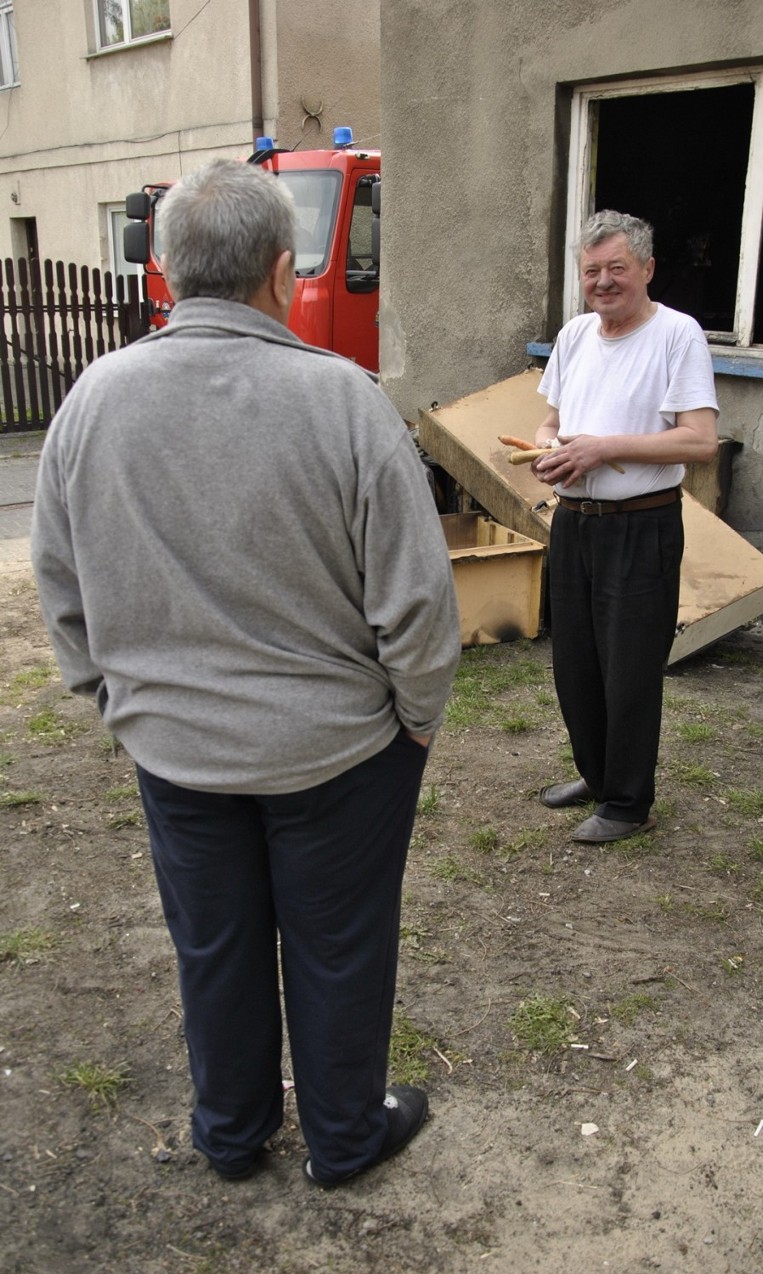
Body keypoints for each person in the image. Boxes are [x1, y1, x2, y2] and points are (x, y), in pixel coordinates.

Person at [31, 159, 460, 1185]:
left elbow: (60, 581)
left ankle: (230, 1132)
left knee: (212, 946)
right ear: (283, 272)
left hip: (177, 752)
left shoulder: (93, 399)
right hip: (339, 751)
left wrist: (115, 702)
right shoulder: (345, 401)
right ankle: (343, 1136)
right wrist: (417, 718)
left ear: (167, 276)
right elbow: (416, 601)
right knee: (339, 946)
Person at [532, 210, 718, 844]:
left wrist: (602, 449)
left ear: (647, 269)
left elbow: (700, 443)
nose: (603, 282)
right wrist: (548, 449)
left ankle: (628, 804)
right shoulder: (576, 334)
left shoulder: (678, 335)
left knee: (630, 666)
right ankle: (598, 773)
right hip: (575, 522)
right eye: (592, 271)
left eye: (617, 268)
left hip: (642, 526)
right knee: (576, 661)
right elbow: (549, 421)